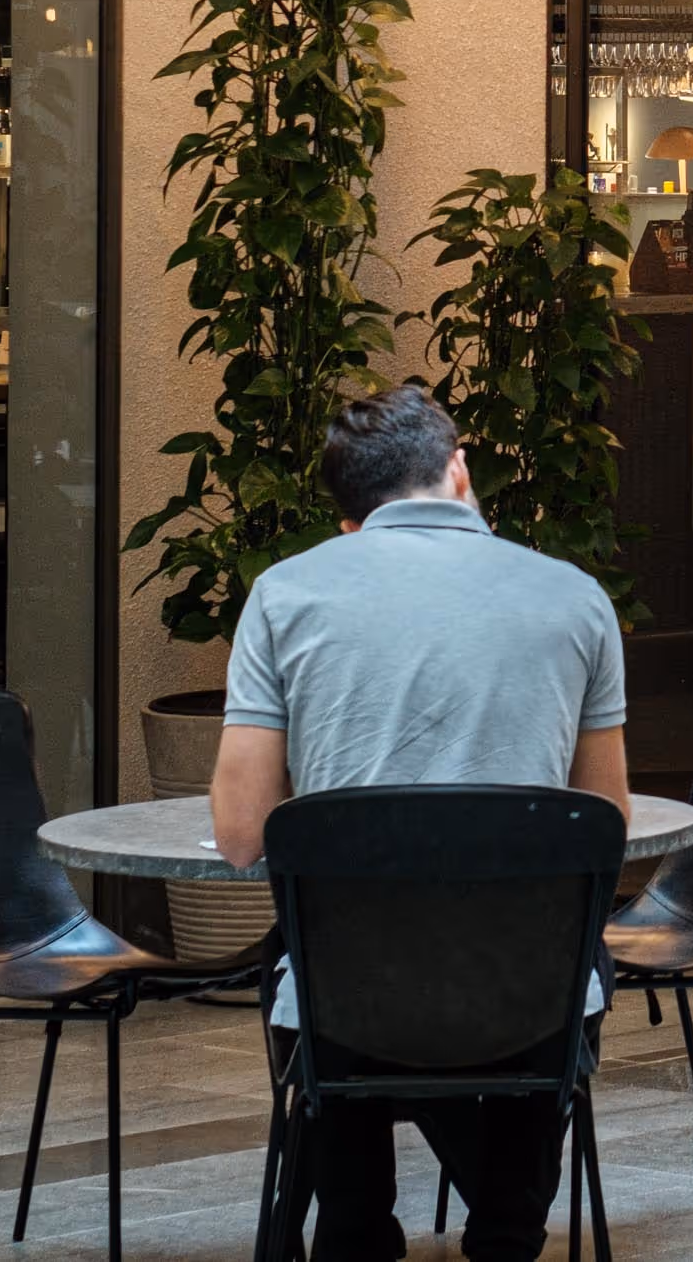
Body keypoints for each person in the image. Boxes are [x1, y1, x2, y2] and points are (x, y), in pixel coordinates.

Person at [211, 385, 630, 1262]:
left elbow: (244, 833)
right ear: (459, 471)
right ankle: (508, 1229)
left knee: (310, 956)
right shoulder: (577, 597)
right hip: (531, 1006)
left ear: (346, 513)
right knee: (546, 949)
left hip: (349, 1008)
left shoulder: (284, 594)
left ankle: (357, 1227)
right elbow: (604, 827)